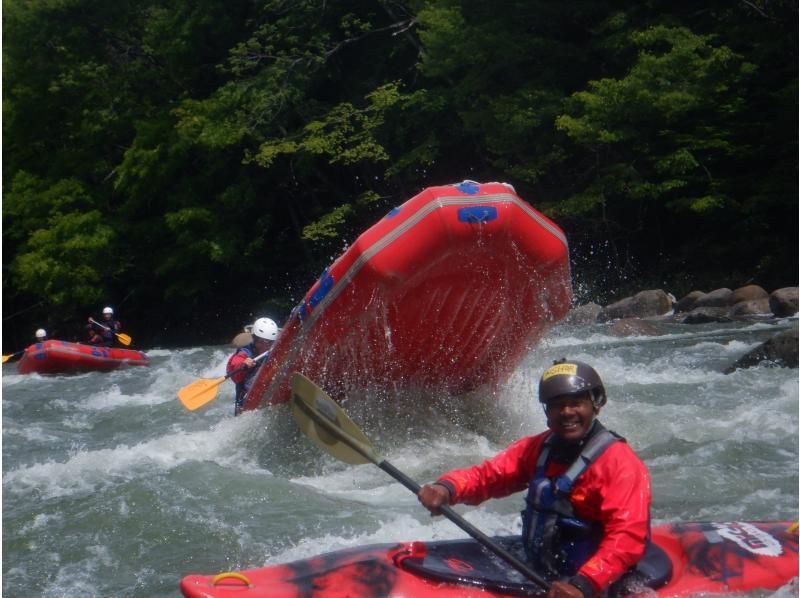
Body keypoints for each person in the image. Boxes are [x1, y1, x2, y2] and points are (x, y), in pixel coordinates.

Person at [417, 359, 652, 598]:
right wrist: (447, 488)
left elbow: (627, 537)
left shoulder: (620, 463)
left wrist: (583, 585)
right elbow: (489, 476)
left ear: (596, 405)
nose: (567, 412)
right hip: (544, 571)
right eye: (557, 405)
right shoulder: (539, 448)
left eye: (576, 403)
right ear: (547, 411)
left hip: (598, 581)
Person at [227, 317, 279, 415]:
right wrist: (243, 364)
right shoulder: (246, 350)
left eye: (268, 342)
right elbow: (234, 366)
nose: (264, 346)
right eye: (261, 341)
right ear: (254, 339)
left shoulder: (274, 348)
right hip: (245, 389)